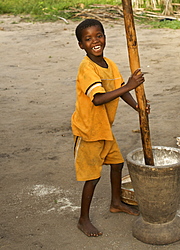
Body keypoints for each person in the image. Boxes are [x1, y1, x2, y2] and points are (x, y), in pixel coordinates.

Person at [71, 18, 149, 237]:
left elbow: (121, 89)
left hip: (104, 128)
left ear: (104, 37)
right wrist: (131, 85)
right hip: (88, 131)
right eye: (88, 39)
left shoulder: (110, 64)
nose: (95, 41)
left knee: (117, 164)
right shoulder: (87, 67)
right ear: (81, 45)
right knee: (93, 177)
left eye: (99, 36)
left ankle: (116, 202)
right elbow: (98, 99)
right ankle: (83, 219)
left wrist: (137, 106)